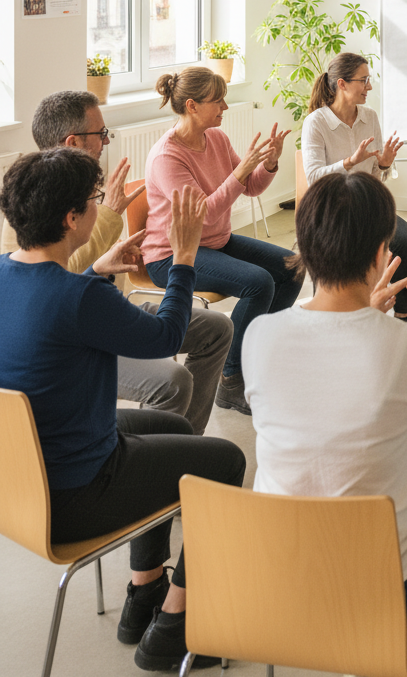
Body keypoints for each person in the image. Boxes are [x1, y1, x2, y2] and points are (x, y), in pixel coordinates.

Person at [0, 149, 246, 672]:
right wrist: (183, 258)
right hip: (73, 493)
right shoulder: (80, 298)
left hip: (21, 481)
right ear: (71, 219)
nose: (98, 207)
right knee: (224, 460)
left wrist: (95, 269)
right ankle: (174, 629)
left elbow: (55, 308)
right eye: (93, 200)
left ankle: (144, 593)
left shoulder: (8, 274)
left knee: (174, 427)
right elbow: (168, 336)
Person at [243, 171, 407, 677]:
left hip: (275, 585)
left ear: (305, 246)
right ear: (382, 251)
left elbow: (323, 375)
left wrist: (364, 315)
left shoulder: (259, 335)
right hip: (379, 593)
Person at [0, 90, 232, 436]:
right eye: (101, 134)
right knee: (174, 380)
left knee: (216, 328)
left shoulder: (75, 187)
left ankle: (183, 444)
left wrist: (100, 266)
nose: (106, 141)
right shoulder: (38, 197)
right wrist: (181, 255)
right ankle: (163, 463)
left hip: (101, 306)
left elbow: (64, 282)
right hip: (81, 323)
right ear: (73, 140)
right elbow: (52, 285)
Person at [142, 66, 303, 416]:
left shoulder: (216, 138)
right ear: (192, 105)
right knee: (259, 283)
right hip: (171, 255)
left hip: (214, 241)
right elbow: (206, 214)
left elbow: (251, 188)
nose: (225, 108)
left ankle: (255, 358)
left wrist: (269, 164)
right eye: (218, 102)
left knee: (293, 267)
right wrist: (241, 170)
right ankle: (230, 380)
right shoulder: (167, 157)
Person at [301, 51, 407, 319]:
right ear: (342, 84)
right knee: (343, 248)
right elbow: (314, 178)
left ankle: (403, 316)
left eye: (369, 80)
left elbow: (375, 176)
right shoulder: (315, 123)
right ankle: (335, 314)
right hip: (332, 210)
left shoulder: (369, 116)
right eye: (363, 81)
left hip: (366, 205)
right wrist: (349, 162)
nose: (369, 87)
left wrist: (384, 164)